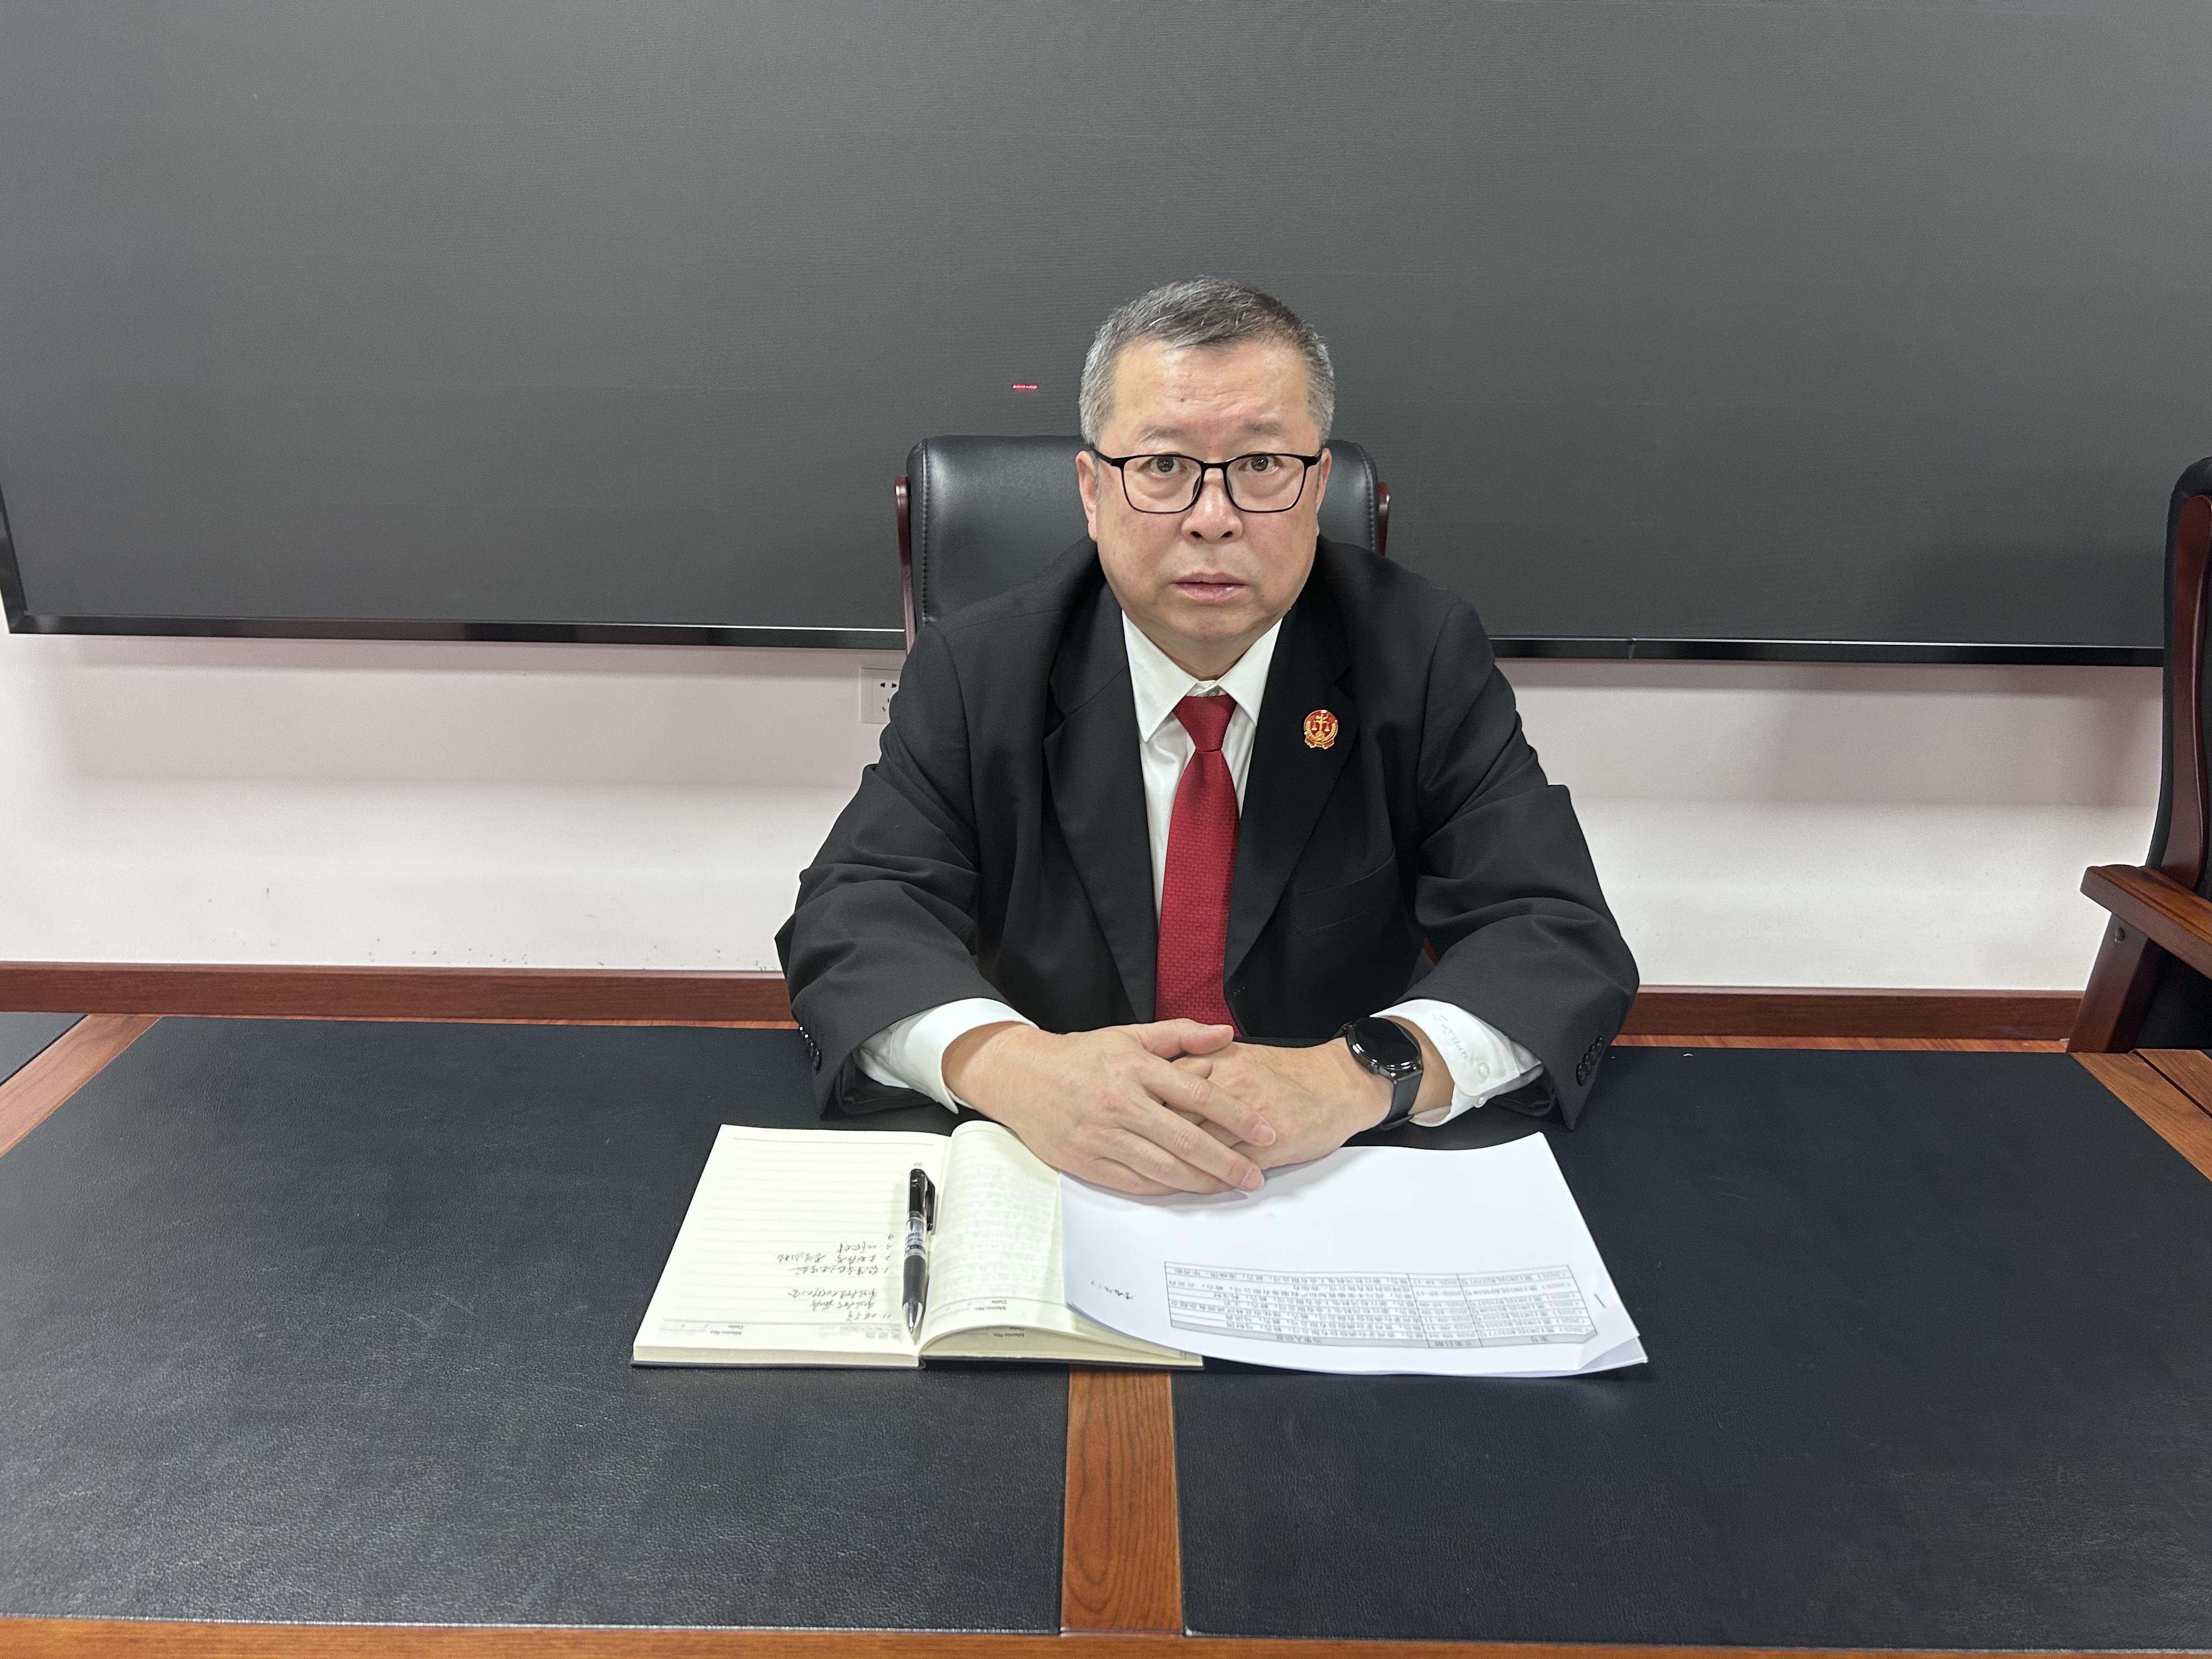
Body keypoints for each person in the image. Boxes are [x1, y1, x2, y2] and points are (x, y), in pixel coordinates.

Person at [777, 277, 1636, 1195]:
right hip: (1054, 1166)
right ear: (1093, 492)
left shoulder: (1417, 655)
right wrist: (1012, 1067)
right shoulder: (980, 667)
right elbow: (854, 916)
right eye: (1162, 466)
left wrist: (1355, 1075)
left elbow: (1554, 934)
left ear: (1318, 488)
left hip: (1324, 1173)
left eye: (1262, 464)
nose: (1213, 517)